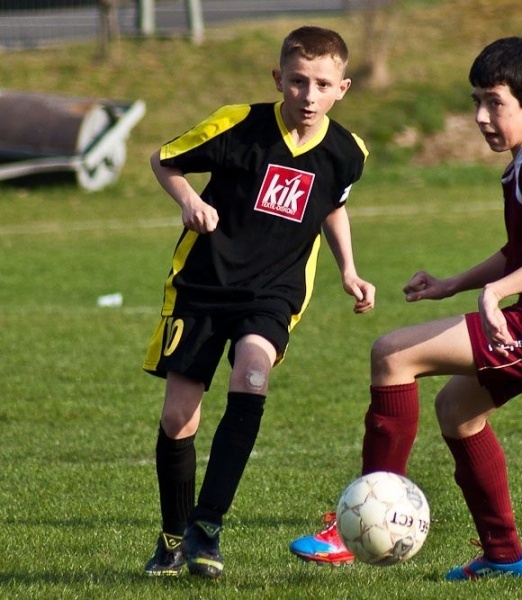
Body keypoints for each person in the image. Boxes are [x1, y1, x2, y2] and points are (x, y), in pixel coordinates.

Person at [290, 36, 522, 582]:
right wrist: (453, 286)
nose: (482, 117)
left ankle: (356, 525)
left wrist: (495, 294)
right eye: (476, 102)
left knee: (392, 354)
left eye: (495, 103)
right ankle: (506, 557)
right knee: (458, 412)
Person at [141, 26, 376, 579]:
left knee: (251, 376)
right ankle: (172, 538)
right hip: (203, 285)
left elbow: (332, 206)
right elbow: (164, 159)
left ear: (342, 88)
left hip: (274, 291)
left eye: (322, 85)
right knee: (178, 417)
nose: (309, 96)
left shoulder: (348, 152)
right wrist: (188, 200)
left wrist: (348, 268)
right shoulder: (237, 124)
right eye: (298, 81)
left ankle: (207, 528)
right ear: (278, 79)